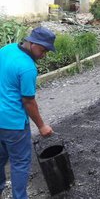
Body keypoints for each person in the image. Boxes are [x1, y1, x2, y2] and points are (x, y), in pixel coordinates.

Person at [0, 27, 55, 199]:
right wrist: (42, 126)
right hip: (13, 123)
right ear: (32, 43)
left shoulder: (6, 49)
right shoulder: (28, 67)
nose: (44, 54)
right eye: (43, 49)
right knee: (20, 163)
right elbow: (28, 102)